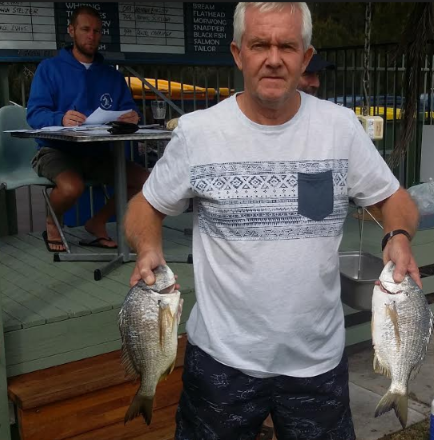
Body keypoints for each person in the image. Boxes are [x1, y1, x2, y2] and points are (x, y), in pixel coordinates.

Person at [124, 2, 420, 439]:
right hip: (222, 362)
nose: (274, 58)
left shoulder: (339, 128)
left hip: (316, 363)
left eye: (287, 46)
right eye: (260, 44)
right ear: (238, 53)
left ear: (306, 56)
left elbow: (395, 199)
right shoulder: (198, 133)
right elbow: (144, 206)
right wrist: (149, 248)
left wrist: (398, 234)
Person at [27, 5, 148, 252]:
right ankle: (52, 223)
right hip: (55, 151)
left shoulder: (112, 76)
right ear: (71, 31)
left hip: (98, 153)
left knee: (145, 181)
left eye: (96, 31)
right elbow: (34, 114)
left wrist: (132, 117)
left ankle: (97, 222)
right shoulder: (49, 68)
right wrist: (61, 118)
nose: (91, 36)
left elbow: (130, 110)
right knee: (72, 187)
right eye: (85, 29)